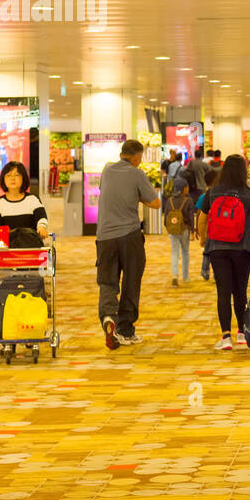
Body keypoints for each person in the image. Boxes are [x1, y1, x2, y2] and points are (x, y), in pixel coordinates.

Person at [198, 154, 250, 351]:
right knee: (240, 292)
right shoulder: (249, 193)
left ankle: (226, 337)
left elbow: (202, 219)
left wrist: (203, 238)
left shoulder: (212, 192)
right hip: (242, 248)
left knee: (223, 291)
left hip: (217, 248)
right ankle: (242, 334)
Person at [95, 139, 160, 349]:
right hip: (129, 235)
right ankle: (125, 329)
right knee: (131, 281)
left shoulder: (106, 170)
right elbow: (155, 202)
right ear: (137, 157)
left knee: (107, 280)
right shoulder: (137, 173)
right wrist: (137, 197)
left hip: (104, 237)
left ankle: (107, 317)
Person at [0, 161, 49, 242]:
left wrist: (42, 227)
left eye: (17, 175)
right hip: (7, 248)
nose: (12, 178)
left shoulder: (33, 199)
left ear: (23, 178)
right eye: (8, 175)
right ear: (3, 179)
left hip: (31, 245)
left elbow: (41, 217)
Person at [164, 174, 193, 287]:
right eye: (187, 187)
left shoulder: (169, 201)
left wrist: (168, 227)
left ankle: (174, 275)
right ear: (183, 188)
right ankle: (185, 277)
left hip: (173, 230)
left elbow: (166, 216)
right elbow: (190, 217)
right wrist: (192, 230)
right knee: (185, 252)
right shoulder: (188, 200)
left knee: (174, 253)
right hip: (184, 230)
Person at [195, 167, 220, 281]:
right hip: (217, 228)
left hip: (207, 229)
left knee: (207, 252)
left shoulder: (203, 196)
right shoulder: (219, 195)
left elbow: (199, 214)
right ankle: (215, 273)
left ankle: (205, 271)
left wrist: (200, 232)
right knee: (215, 252)